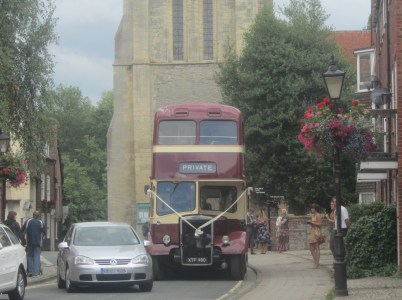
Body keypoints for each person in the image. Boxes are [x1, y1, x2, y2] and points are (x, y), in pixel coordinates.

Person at [22, 211, 45, 277]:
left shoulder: (28, 221)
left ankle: (30, 272)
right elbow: (44, 232)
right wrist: (40, 238)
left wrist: (24, 240)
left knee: (30, 256)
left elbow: (23, 230)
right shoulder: (41, 222)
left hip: (29, 242)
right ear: (38, 216)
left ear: (33, 215)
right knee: (37, 257)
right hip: (38, 242)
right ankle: (36, 273)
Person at [307, 203, 323, 269]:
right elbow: (314, 223)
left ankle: (317, 263)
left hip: (316, 232)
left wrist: (311, 222)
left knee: (316, 247)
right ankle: (315, 261)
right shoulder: (313, 215)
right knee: (311, 247)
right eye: (311, 208)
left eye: (312, 208)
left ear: (315, 209)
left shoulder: (318, 215)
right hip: (313, 231)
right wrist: (310, 223)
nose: (311, 209)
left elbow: (320, 224)